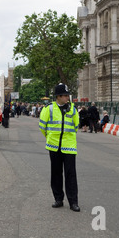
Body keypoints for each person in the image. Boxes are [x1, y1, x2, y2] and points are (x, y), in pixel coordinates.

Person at [39, 83, 80, 212]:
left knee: (71, 174)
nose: (67, 98)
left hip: (69, 146)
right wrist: (50, 137)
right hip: (54, 146)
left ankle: (73, 202)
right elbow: (42, 127)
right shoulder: (48, 109)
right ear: (59, 96)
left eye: (68, 95)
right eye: (65, 95)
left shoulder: (73, 109)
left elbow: (76, 126)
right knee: (56, 174)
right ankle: (58, 199)